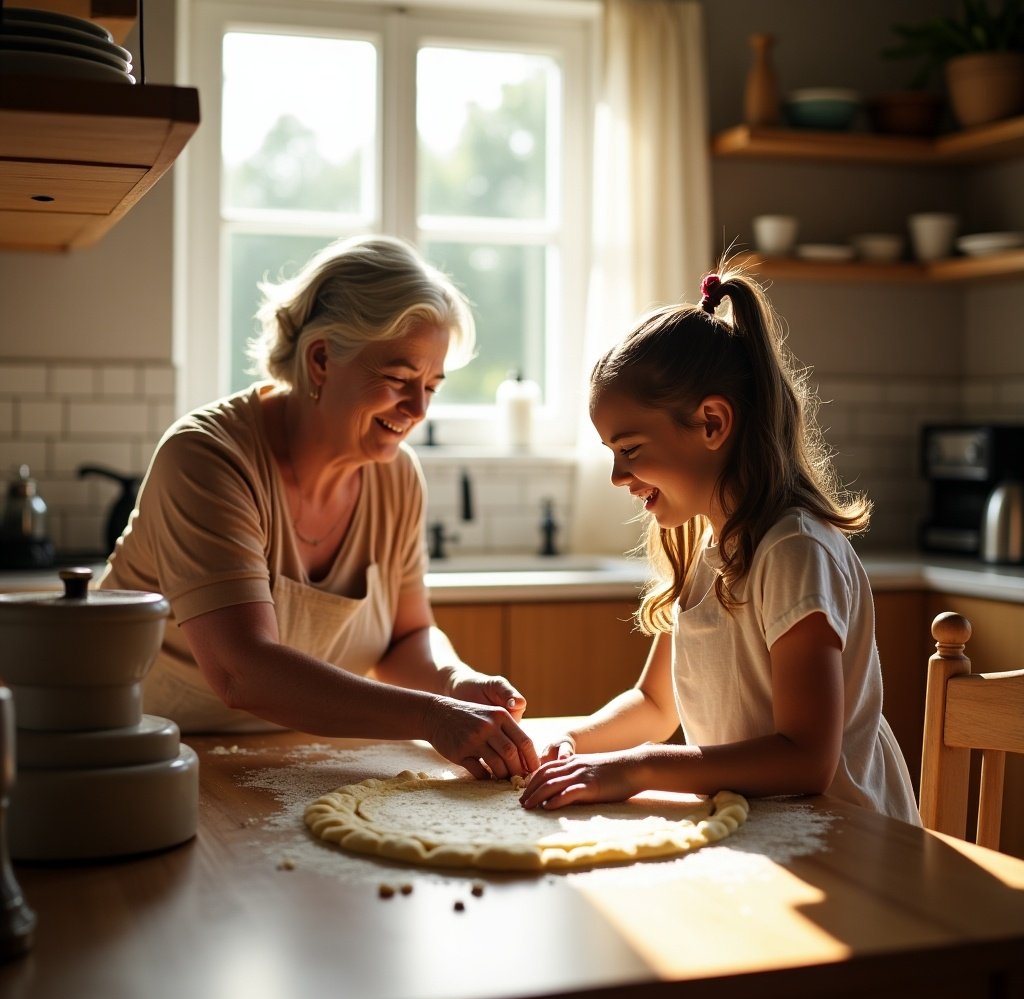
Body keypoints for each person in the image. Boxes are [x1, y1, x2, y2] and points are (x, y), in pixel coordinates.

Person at [99, 235, 538, 780]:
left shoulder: (397, 476)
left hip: (296, 759)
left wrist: (453, 682)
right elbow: (243, 671)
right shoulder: (208, 457)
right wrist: (432, 715)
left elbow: (406, 636)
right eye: (400, 380)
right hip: (139, 758)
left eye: (432, 385)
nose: (419, 408)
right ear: (322, 358)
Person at [520, 268, 920, 823]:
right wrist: (565, 740)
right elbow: (655, 705)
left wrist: (637, 768)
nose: (616, 475)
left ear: (712, 422)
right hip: (759, 830)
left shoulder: (794, 550)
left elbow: (807, 760)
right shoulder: (705, 549)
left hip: (848, 843)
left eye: (630, 448)